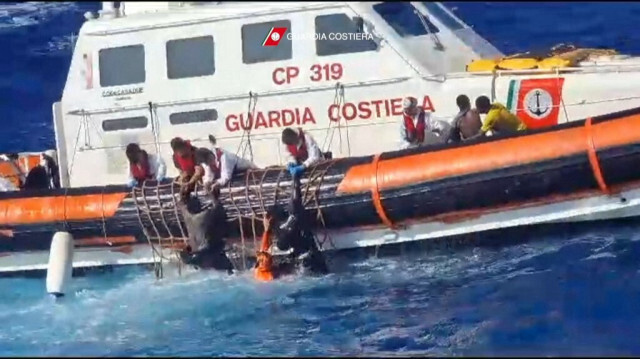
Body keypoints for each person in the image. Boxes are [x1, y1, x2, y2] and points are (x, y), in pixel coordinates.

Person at [254, 176, 328, 281]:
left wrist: (267, 231)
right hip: (314, 256)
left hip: (309, 263)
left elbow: (275, 249)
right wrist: (296, 180)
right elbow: (296, 202)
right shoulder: (293, 218)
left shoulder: (280, 230)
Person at [177, 191, 234, 274]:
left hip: (196, 257)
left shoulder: (186, 216)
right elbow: (219, 208)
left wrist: (183, 197)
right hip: (209, 253)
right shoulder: (205, 215)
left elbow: (181, 205)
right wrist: (214, 197)